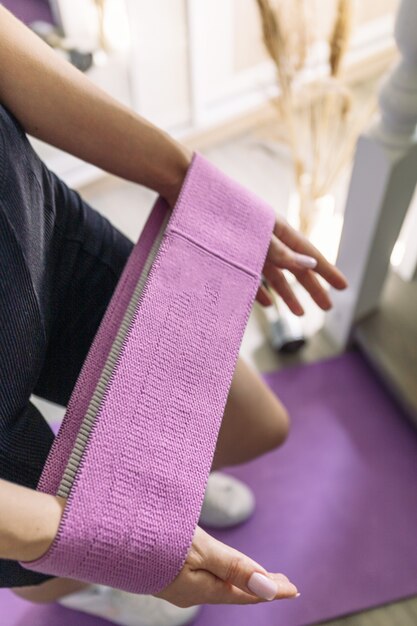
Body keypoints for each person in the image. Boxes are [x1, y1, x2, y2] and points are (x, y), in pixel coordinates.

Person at [0, 6, 348, 626]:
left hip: (36, 233)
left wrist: (198, 190)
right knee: (52, 570)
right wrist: (111, 542)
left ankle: (161, 496)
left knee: (256, 421)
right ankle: (90, 582)